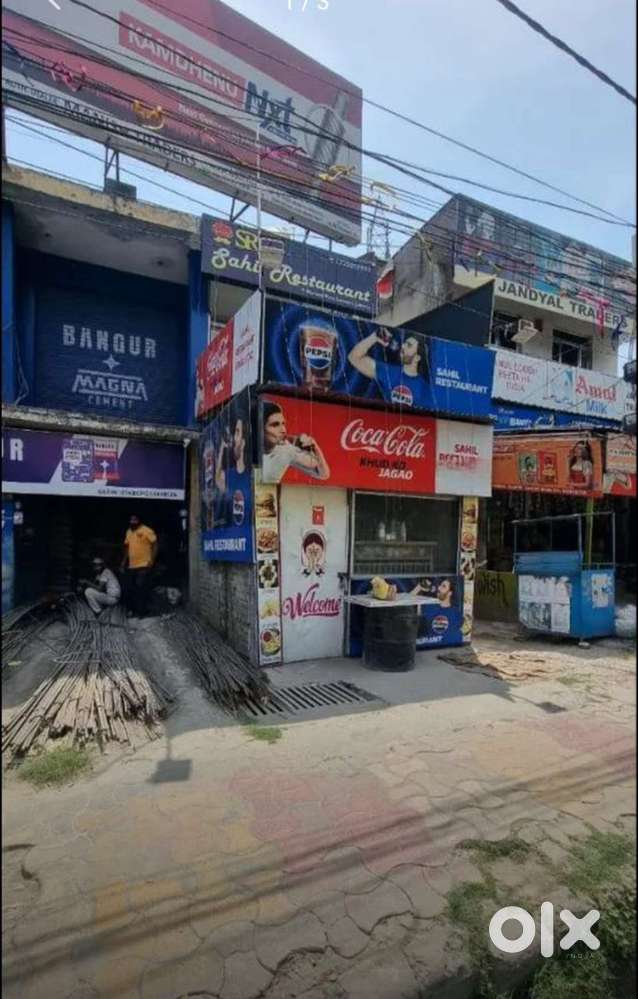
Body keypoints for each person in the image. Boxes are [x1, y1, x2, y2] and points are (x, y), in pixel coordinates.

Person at [348, 328, 430, 408]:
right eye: (404, 343)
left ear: (417, 358)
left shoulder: (424, 388)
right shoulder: (388, 372)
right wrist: (374, 337)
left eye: (409, 345)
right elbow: (353, 357)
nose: (403, 346)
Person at [262, 401, 330, 484]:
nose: (283, 430)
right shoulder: (248, 451)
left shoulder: (286, 450)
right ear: (260, 428)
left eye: (283, 424)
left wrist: (315, 448)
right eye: (275, 425)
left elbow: (323, 474)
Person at [120, 514, 157, 618]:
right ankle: (132, 610)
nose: (133, 522)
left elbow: (155, 545)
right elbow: (127, 548)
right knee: (130, 588)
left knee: (141, 587)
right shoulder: (128, 531)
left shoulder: (147, 530)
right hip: (132, 565)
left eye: (135, 520)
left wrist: (152, 560)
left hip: (144, 564)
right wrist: (123, 562)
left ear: (139, 520)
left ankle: (141, 612)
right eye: (131, 520)